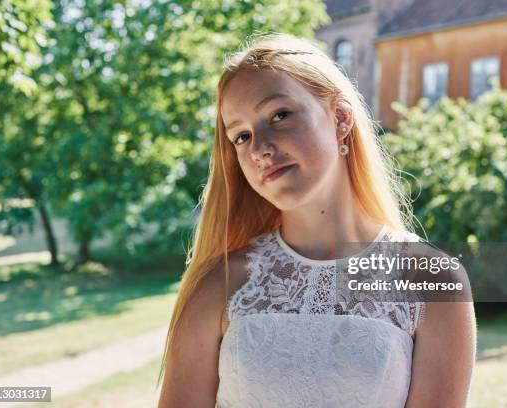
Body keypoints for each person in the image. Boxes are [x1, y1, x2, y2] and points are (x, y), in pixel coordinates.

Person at [157, 32, 476, 407]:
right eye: (241, 136)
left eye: (279, 115)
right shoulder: (220, 283)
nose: (260, 148)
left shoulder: (433, 281)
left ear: (341, 118)